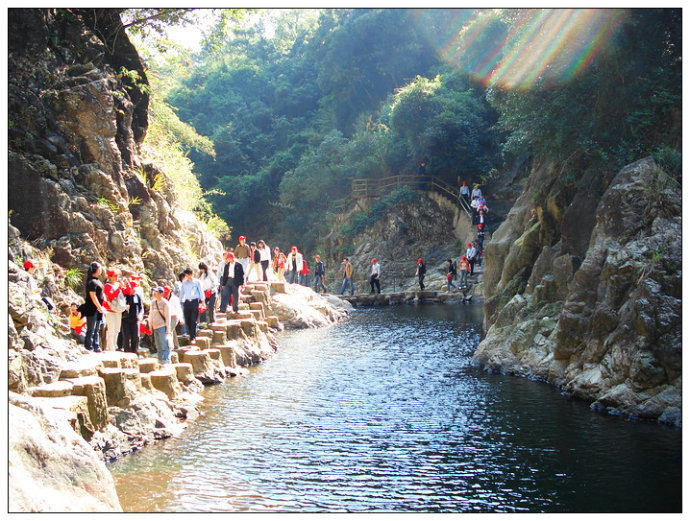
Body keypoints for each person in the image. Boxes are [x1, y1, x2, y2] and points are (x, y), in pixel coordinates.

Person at [83, 262, 105, 352]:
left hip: (99, 308)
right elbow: (93, 296)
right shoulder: (91, 282)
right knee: (91, 328)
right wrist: (99, 307)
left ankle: (96, 346)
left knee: (97, 328)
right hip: (92, 308)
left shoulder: (98, 281)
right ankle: (89, 347)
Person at [103, 268, 127, 351]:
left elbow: (126, 291)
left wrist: (125, 285)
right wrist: (118, 288)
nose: (117, 278)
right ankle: (110, 348)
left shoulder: (117, 284)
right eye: (115, 276)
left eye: (117, 276)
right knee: (111, 330)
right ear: (110, 277)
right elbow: (110, 295)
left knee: (117, 329)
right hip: (110, 310)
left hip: (118, 310)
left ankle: (114, 345)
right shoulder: (107, 286)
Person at [179, 268, 204, 344]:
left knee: (193, 319)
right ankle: (191, 333)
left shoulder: (197, 282)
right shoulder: (184, 283)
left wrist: (203, 301)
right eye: (186, 275)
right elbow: (182, 292)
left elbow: (201, 292)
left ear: (192, 274)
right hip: (187, 302)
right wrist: (180, 301)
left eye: (189, 275)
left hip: (194, 301)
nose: (188, 277)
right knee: (187, 319)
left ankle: (192, 337)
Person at [120, 275, 143, 354]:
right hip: (125, 319)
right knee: (126, 337)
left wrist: (140, 314)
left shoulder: (137, 296)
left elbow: (141, 307)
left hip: (135, 319)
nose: (134, 290)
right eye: (133, 288)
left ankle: (135, 351)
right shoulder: (124, 296)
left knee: (136, 336)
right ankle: (127, 352)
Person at [148, 287, 171, 365]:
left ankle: (166, 360)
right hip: (155, 326)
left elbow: (167, 317)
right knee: (158, 345)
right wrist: (150, 325)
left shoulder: (165, 303)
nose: (155, 293)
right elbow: (150, 314)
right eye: (154, 292)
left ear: (161, 294)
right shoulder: (153, 303)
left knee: (164, 344)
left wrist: (168, 328)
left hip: (162, 326)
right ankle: (160, 360)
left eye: (157, 292)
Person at [164, 285, 184, 349]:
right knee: (173, 331)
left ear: (170, 291)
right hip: (167, 317)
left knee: (169, 330)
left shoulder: (175, 299)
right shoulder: (163, 298)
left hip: (174, 317)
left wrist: (181, 319)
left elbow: (179, 309)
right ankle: (176, 345)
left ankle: (169, 346)